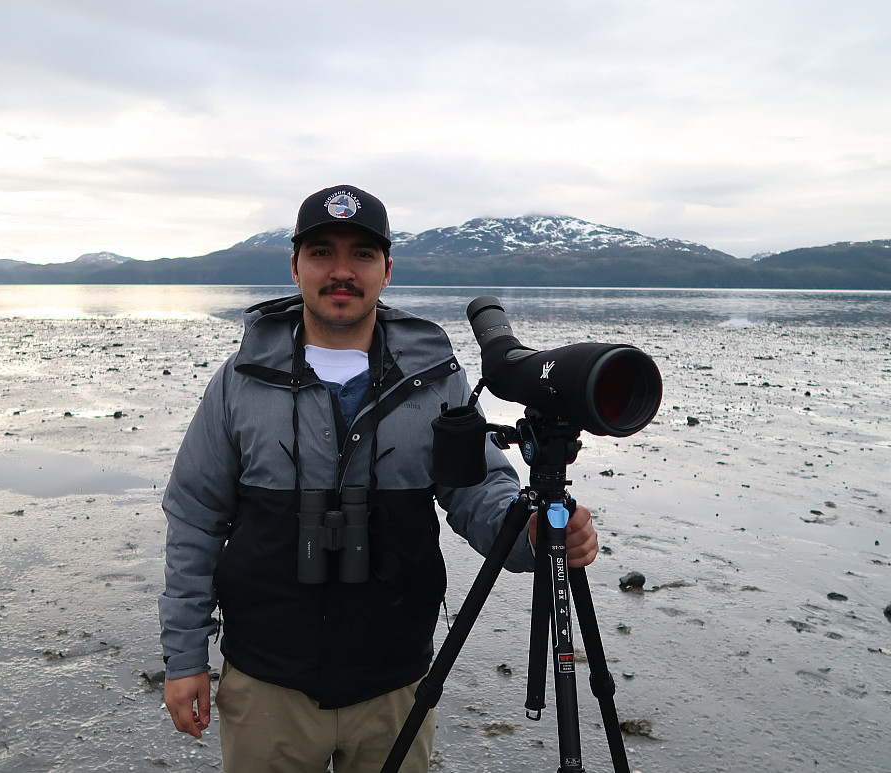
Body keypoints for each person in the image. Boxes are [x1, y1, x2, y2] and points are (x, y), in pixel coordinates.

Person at [160, 184, 599, 772]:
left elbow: (477, 492)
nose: (342, 271)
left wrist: (533, 537)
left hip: (395, 684)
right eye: (322, 252)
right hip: (267, 681)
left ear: (387, 270)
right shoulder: (240, 381)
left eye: (362, 254)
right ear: (295, 266)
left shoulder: (437, 378)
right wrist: (185, 658)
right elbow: (195, 518)